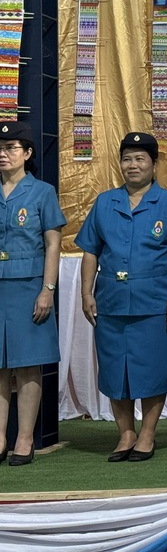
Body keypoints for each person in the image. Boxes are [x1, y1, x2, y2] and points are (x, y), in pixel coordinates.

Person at [76, 132, 167, 462]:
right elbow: (90, 251)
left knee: (153, 368)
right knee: (115, 369)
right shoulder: (105, 202)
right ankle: (125, 434)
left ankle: (147, 433)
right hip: (111, 300)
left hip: (155, 300)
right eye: (127, 159)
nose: (132, 165)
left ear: (154, 164)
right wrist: (86, 292)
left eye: (140, 159)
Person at [0, 121, 66, 466]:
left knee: (27, 366)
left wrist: (47, 289)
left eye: (11, 148)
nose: (3, 154)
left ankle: (24, 438)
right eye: (0, 148)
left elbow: (53, 243)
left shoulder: (42, 192)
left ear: (27, 153)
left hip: (28, 286)